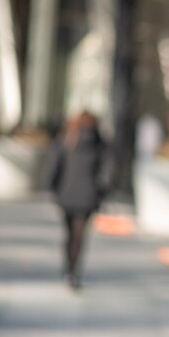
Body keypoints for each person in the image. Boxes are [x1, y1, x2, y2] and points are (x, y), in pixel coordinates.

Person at [43, 111, 111, 290]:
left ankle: (68, 267)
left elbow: (54, 166)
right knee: (78, 236)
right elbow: (107, 170)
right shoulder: (99, 143)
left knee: (69, 234)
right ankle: (73, 270)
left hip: (67, 194)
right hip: (88, 197)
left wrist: (53, 188)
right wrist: (101, 191)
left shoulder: (67, 139)